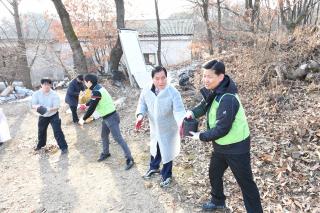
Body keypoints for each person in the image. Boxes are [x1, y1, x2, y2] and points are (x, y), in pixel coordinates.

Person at [187, 60, 263, 212]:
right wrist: (192, 112)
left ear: (220, 77)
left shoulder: (228, 98)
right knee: (214, 173)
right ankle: (218, 201)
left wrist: (200, 136)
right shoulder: (216, 90)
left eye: (209, 76)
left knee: (246, 183)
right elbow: (204, 105)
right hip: (220, 145)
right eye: (204, 76)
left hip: (236, 148)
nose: (205, 80)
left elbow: (222, 129)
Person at [135, 66, 186, 187]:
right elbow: (142, 103)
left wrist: (181, 122)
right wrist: (140, 115)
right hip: (154, 127)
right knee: (155, 146)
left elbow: (179, 110)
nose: (161, 81)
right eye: (157, 78)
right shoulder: (147, 90)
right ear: (152, 79)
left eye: (163, 78)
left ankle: (166, 175)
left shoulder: (173, 92)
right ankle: (154, 167)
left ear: (166, 77)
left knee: (167, 150)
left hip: (168, 128)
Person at [79, 74, 134, 170]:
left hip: (111, 117)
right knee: (104, 135)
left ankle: (130, 158)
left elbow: (92, 107)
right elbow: (93, 101)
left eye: (85, 81)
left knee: (118, 138)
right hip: (107, 117)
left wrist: (83, 119)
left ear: (89, 82)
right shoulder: (98, 88)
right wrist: (84, 104)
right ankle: (106, 153)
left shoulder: (96, 91)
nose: (84, 83)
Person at [31, 78, 68, 154]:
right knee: (41, 131)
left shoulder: (54, 94)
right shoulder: (36, 94)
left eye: (48, 84)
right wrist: (38, 107)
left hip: (53, 115)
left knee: (57, 131)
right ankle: (41, 145)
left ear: (50, 85)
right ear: (41, 85)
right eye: (44, 84)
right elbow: (33, 104)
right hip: (43, 115)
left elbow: (56, 107)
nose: (46, 86)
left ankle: (63, 147)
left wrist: (47, 109)